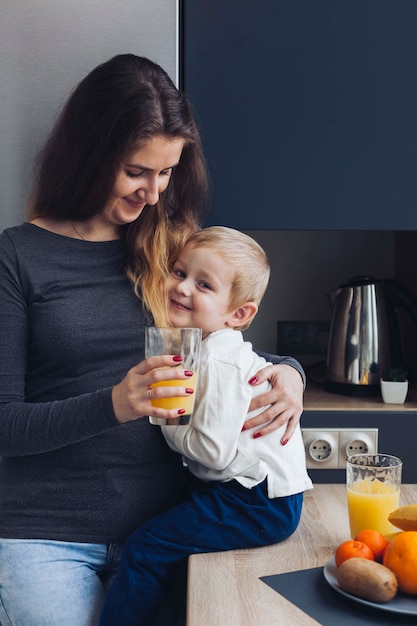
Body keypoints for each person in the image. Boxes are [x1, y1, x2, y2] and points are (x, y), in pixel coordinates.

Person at [0, 54, 306, 626]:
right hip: (46, 537)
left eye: (167, 173)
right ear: (91, 154)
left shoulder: (174, 248)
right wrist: (114, 404)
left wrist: (290, 374)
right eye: (138, 171)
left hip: (172, 526)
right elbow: (4, 424)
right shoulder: (15, 258)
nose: (153, 192)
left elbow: (231, 349)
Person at [100, 226, 313, 626]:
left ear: (239, 314)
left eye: (203, 284)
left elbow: (214, 452)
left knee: (145, 547)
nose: (182, 289)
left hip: (256, 501)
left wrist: (165, 418)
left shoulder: (219, 359)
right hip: (247, 492)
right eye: (179, 273)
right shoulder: (204, 345)